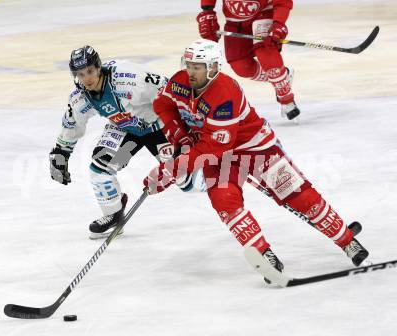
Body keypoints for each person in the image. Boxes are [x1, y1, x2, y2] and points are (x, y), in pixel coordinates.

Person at [143, 39, 368, 282]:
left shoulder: (225, 93)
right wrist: (180, 136)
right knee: (224, 201)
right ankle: (264, 254)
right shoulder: (179, 81)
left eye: (198, 66)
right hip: (217, 152)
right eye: (189, 64)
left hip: (254, 147)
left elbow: (215, 146)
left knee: (297, 195)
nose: (191, 71)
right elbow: (163, 105)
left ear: (213, 67)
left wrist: (171, 170)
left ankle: (346, 240)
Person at [49, 46, 203, 239]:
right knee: (101, 168)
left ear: (98, 67)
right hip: (126, 133)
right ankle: (113, 214)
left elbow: (172, 92)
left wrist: (192, 126)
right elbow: (72, 123)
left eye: (89, 71)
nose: (86, 78)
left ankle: (216, 169)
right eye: (80, 74)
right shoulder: (81, 97)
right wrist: (61, 153)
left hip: (160, 129)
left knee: (187, 181)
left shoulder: (129, 78)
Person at [196, 0, 301, 120]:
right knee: (241, 66)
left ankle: (286, 98)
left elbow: (283, 2)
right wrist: (207, 11)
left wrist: (278, 24)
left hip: (264, 12)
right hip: (234, 21)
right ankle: (282, 76)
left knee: (265, 51)